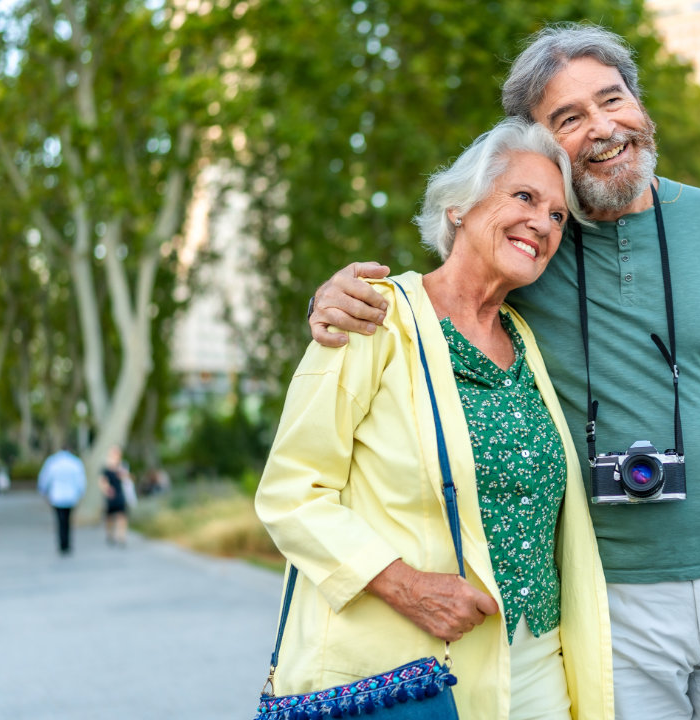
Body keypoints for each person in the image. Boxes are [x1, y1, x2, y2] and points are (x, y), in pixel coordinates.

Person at [307, 24, 700, 720]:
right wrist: (333, 297)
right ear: (542, 145)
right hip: (612, 606)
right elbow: (438, 290)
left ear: (640, 104)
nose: (604, 127)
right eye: (569, 118)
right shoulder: (530, 242)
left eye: (613, 100)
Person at [255, 118, 613, 720]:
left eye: (557, 216)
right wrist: (405, 585)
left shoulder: (527, 338)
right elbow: (292, 493)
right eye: (524, 197)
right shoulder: (373, 317)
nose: (543, 223)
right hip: (412, 677)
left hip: (538, 667)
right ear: (458, 208)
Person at [37, 445, 87, 556]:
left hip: (57, 496)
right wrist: (81, 493)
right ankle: (67, 544)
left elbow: (45, 478)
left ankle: (62, 544)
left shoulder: (53, 461)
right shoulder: (75, 462)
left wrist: (43, 492)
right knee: (68, 521)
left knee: (60, 521)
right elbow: (80, 480)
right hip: (71, 496)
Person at [98, 446, 129, 547]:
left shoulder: (122, 466)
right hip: (111, 495)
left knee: (122, 516)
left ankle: (121, 536)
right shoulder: (106, 468)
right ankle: (110, 535)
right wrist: (107, 490)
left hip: (120, 493)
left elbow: (126, 479)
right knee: (110, 517)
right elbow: (102, 481)